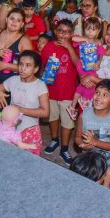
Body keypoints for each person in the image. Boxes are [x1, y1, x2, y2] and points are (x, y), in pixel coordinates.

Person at [41, 19, 80, 164]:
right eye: (61, 31)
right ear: (56, 32)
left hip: (68, 94)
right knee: (52, 117)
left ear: (72, 34)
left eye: (68, 32)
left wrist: (69, 48)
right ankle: (54, 140)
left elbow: (78, 65)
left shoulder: (75, 48)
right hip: (51, 92)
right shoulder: (48, 47)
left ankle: (64, 148)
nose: (64, 35)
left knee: (67, 123)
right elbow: (43, 68)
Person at [0, 50, 49, 156]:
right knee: (9, 156)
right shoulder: (13, 80)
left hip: (30, 130)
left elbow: (45, 112)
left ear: (36, 69)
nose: (22, 68)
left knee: (30, 160)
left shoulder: (40, 86)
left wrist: (21, 110)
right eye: (20, 64)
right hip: (11, 128)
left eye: (28, 65)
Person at [75, 79, 110, 166]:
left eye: (105, 95)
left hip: (108, 161)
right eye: (97, 92)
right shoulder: (84, 115)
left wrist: (95, 142)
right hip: (88, 159)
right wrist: (82, 145)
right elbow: (77, 137)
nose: (99, 97)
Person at [0, 8, 33, 84]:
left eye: (18, 20)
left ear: (22, 24)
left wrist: (6, 66)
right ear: (6, 19)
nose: (14, 22)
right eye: (12, 18)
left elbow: (29, 67)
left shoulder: (24, 41)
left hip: (13, 85)